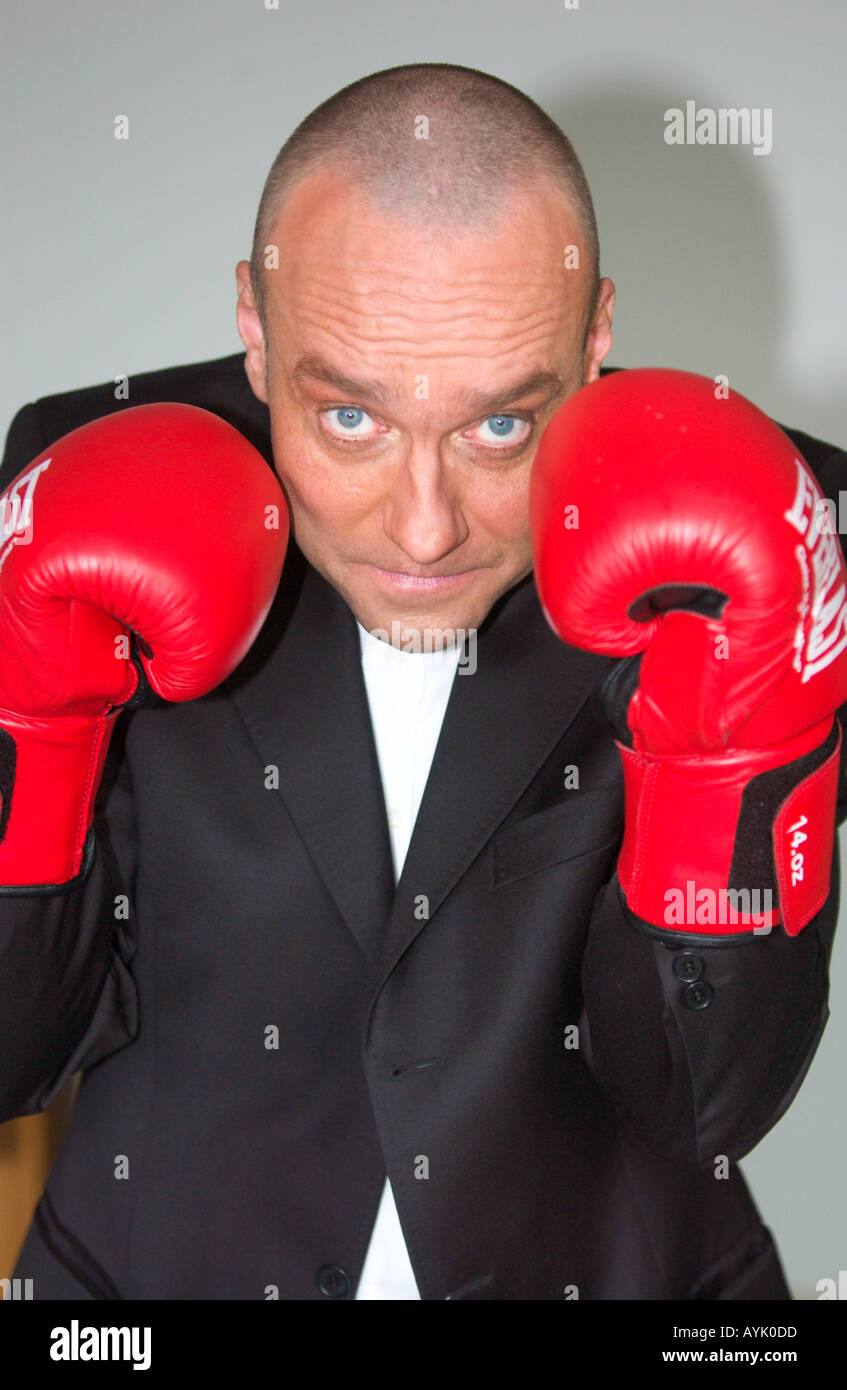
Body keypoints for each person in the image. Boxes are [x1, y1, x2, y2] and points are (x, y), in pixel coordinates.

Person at [1, 62, 845, 1301]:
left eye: (500, 425)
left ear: (594, 335)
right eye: (351, 418)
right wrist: (33, 725)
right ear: (255, 323)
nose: (425, 525)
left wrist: (730, 765)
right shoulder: (79, 483)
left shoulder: (753, 535)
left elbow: (703, 1102)